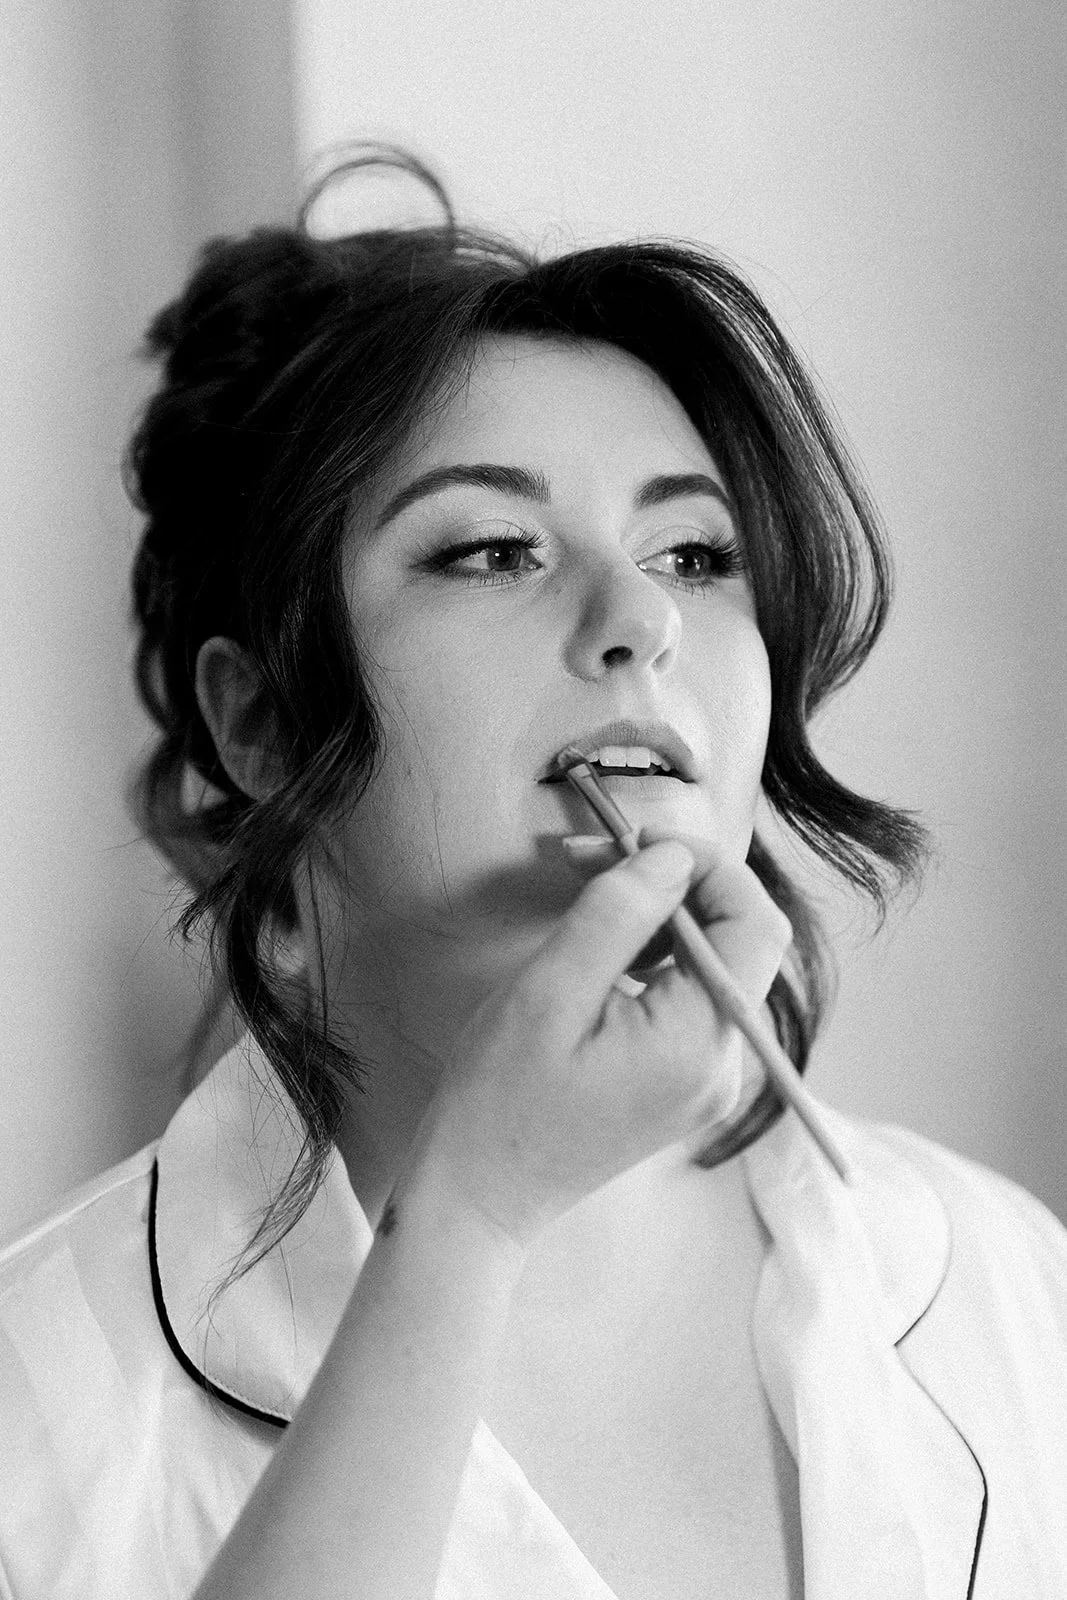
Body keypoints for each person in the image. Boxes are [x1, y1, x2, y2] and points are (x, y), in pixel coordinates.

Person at [0, 143, 1063, 1600]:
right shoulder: (38, 1414)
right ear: (258, 723)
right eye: (495, 550)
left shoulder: (1005, 1287)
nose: (640, 618)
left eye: (696, 555)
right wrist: (469, 1224)